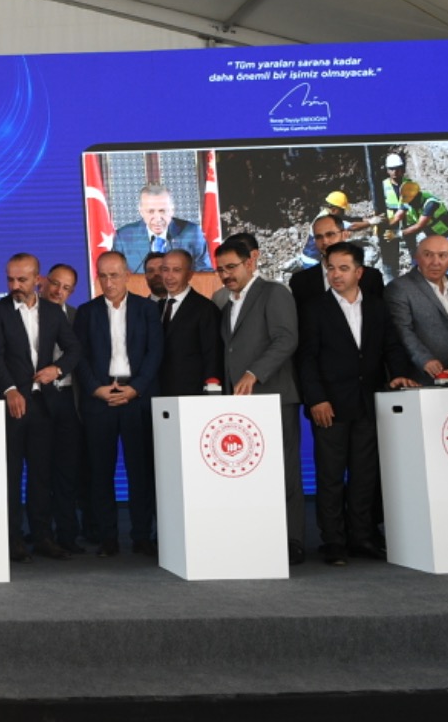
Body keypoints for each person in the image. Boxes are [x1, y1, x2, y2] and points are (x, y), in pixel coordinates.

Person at [298, 243, 419, 565]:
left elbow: (392, 347)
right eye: (331, 268)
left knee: (365, 476)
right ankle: (333, 541)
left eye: (343, 268)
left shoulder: (377, 307)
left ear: (359, 272)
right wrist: (317, 399)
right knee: (330, 477)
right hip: (330, 407)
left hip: (367, 404)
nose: (335, 274)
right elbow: (306, 359)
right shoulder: (314, 308)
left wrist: (399, 374)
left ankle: (362, 537)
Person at [215, 235, 306, 565]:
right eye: (220, 269)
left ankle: (293, 539)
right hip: (241, 404)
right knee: (252, 473)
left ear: (250, 262)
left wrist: (254, 373)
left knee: (285, 471)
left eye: (231, 267)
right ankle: (261, 536)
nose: (226, 274)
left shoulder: (274, 292)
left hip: (274, 397)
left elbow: (286, 339)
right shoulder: (227, 303)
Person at [0, 253, 79, 562]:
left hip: (43, 405)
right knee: (10, 476)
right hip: (9, 405)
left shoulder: (53, 311)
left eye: (22, 280)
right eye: (10, 279)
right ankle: (12, 540)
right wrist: (10, 389)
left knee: (41, 475)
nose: (15, 285)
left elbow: (74, 349)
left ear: (38, 280)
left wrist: (57, 369)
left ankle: (42, 538)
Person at [74, 251, 161, 556]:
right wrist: (95, 389)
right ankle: (107, 537)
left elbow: (155, 353)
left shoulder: (147, 309)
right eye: (103, 276)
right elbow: (78, 356)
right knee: (101, 472)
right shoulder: (86, 312)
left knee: (140, 472)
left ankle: (142, 535)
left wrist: (135, 389)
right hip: (100, 400)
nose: (108, 282)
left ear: (126, 275)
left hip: (137, 398)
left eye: (114, 275)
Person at [42, 263, 93, 547]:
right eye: (55, 283)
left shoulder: (77, 317)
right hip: (37, 399)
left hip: (68, 400)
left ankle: (67, 533)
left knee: (67, 470)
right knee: (39, 470)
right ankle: (41, 531)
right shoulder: (25, 313)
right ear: (43, 281)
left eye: (66, 288)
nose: (58, 291)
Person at [385, 234, 448, 384]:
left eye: (442, 256)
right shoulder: (399, 287)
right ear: (416, 257)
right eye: (428, 255)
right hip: (421, 378)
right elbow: (403, 330)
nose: (435, 262)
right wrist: (425, 360)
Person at [156, 249, 222, 398]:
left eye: (176, 270)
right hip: (159, 393)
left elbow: (212, 355)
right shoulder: (156, 308)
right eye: (165, 270)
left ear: (190, 274)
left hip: (192, 394)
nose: (169, 276)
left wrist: (211, 391)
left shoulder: (205, 309)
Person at [110, 183, 213, 273]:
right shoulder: (124, 237)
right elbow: (115, 275)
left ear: (172, 210)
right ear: (141, 212)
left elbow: (205, 274)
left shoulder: (191, 233)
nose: (158, 218)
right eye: (151, 211)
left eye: (162, 211)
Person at [290, 215, 384, 309]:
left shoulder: (371, 278)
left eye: (330, 234)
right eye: (319, 237)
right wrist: (370, 222)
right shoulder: (300, 282)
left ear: (344, 235)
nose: (325, 241)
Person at [395, 180, 448, 273]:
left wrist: (398, 234)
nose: (409, 204)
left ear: (416, 197)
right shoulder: (413, 207)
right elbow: (408, 225)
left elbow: (419, 226)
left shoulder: (430, 204)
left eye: (410, 202)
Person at [378, 152, 417, 282]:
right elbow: (379, 206)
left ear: (402, 169)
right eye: (391, 169)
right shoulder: (383, 186)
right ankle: (392, 279)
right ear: (387, 170)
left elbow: (409, 206)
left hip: (407, 220)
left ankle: (417, 276)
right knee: (391, 251)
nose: (395, 172)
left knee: (414, 249)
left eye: (397, 168)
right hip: (391, 222)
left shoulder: (409, 184)